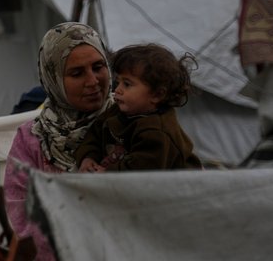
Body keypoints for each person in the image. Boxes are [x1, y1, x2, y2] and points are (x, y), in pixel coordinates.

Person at [3, 22, 112, 261]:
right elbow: (21, 216)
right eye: (77, 73)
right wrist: (78, 253)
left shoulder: (136, 123)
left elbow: (179, 183)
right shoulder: (33, 139)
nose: (93, 81)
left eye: (99, 67)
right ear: (53, 79)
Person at [74, 44, 203, 172]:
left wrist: (106, 174)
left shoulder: (157, 132)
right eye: (118, 82)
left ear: (157, 94)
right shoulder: (118, 110)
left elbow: (140, 174)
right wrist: (88, 158)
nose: (118, 90)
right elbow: (95, 134)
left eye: (127, 84)